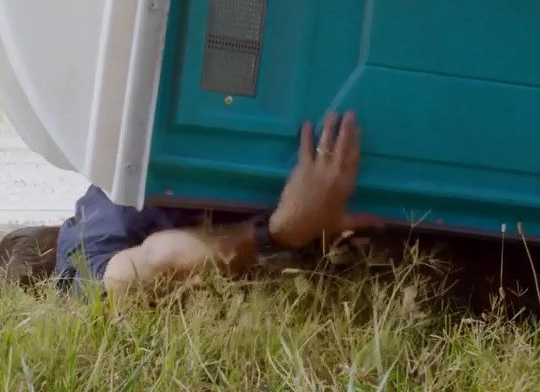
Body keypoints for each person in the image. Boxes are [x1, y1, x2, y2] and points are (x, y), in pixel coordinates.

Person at [21, 110, 368, 296]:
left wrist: (278, 233)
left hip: (304, 177)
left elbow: (140, 272)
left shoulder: (76, 271)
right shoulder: (93, 207)